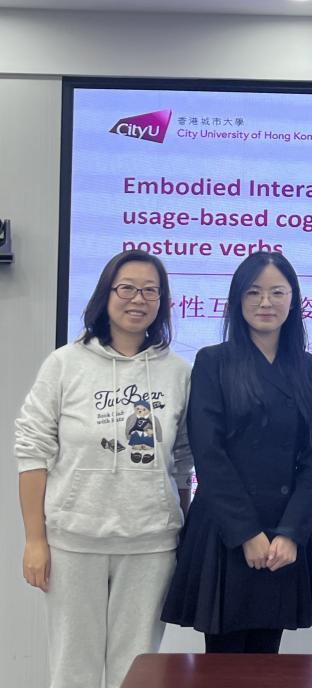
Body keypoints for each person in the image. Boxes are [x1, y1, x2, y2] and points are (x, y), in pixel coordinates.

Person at [15, 249, 192, 688]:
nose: (138, 299)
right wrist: (35, 540)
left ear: (162, 302)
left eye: (150, 291)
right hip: (74, 541)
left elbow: (184, 459)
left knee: (136, 671)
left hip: (151, 544)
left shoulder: (177, 372)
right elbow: (32, 449)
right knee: (73, 668)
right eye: (127, 288)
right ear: (105, 295)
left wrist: (181, 524)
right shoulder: (64, 364)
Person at [161, 251, 312, 653]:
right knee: (223, 664)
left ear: (293, 299)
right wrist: (247, 534)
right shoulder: (213, 362)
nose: (265, 302)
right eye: (253, 292)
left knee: (266, 663)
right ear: (237, 299)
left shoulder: (309, 368)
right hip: (227, 531)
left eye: (277, 292)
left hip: (283, 533)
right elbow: (209, 454)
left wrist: (291, 533)